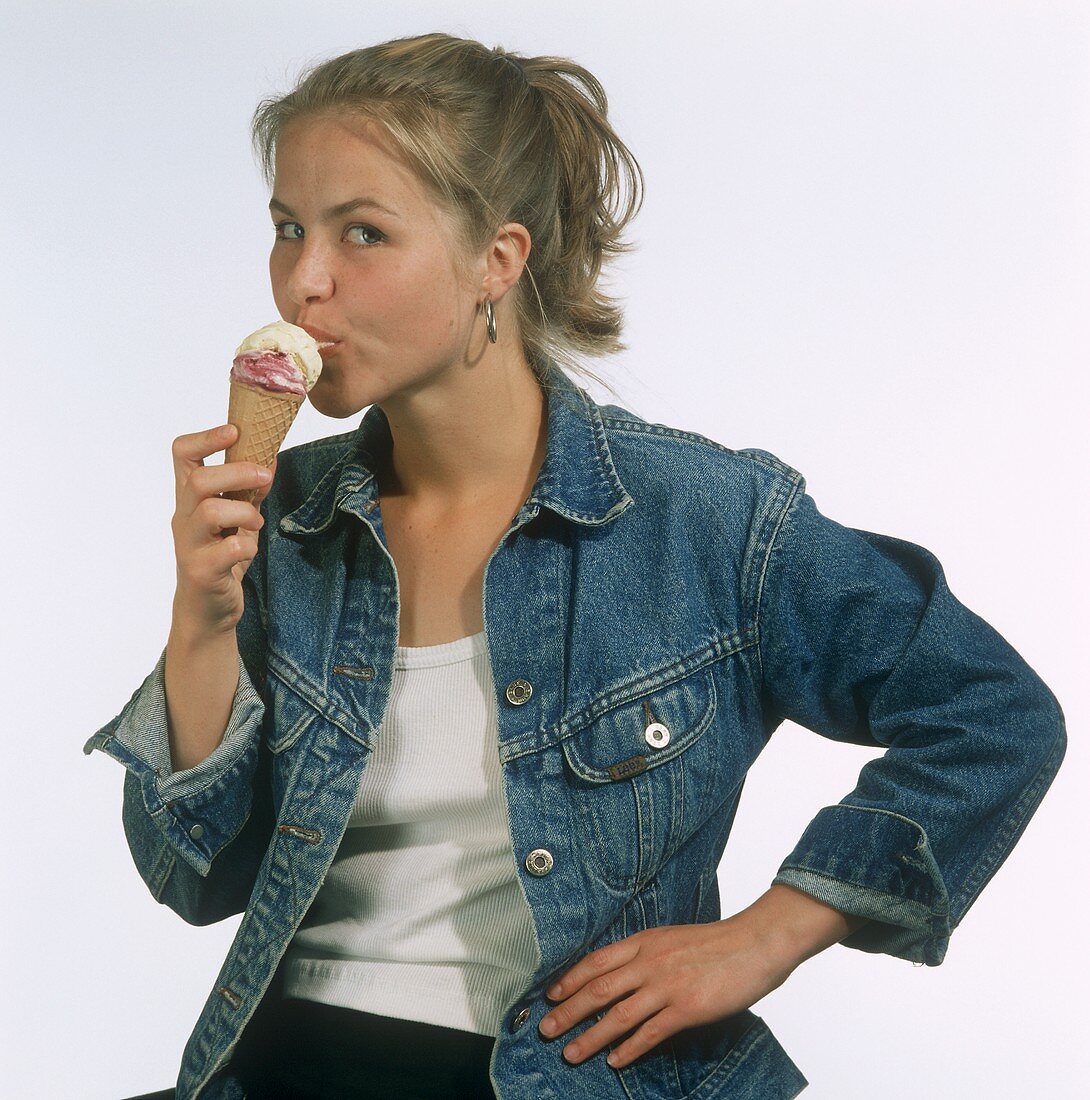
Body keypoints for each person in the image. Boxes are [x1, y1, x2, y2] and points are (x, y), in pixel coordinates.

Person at [86, 32, 1067, 1100]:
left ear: (495, 262)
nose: (302, 281)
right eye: (288, 229)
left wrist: (771, 933)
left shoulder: (706, 518)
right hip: (274, 1067)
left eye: (361, 233)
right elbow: (191, 876)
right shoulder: (291, 516)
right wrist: (202, 617)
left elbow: (991, 712)